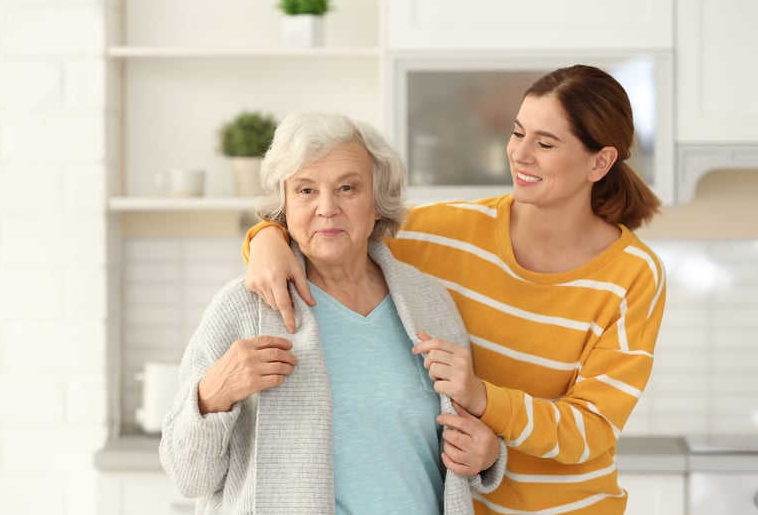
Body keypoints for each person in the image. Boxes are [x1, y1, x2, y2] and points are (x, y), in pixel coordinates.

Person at [243, 65, 667, 514]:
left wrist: (482, 399)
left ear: (599, 162)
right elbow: (334, 231)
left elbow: (591, 429)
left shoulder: (631, 274)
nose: (520, 154)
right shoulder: (444, 233)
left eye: (545, 143)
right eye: (517, 133)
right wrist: (266, 237)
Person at [160, 111, 506, 515]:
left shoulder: (430, 305)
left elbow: (462, 444)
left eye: (347, 188)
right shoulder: (243, 308)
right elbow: (188, 477)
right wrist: (213, 394)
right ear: (284, 206)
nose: (327, 208)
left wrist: (487, 453)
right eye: (305, 191)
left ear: (378, 203)